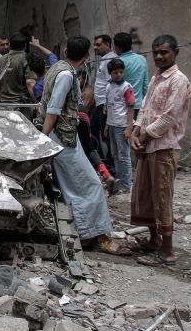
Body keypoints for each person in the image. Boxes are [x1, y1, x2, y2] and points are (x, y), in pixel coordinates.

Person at [41, 35, 131, 256]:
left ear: (64, 51)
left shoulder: (56, 68)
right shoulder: (66, 75)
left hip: (59, 138)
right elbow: (53, 109)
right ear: (86, 56)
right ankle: (101, 236)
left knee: (72, 188)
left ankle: (85, 233)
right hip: (62, 138)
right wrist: (43, 140)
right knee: (91, 186)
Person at [130, 35, 191, 263]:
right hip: (148, 146)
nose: (158, 56)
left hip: (164, 147)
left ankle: (167, 251)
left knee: (162, 198)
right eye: (155, 52)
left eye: (164, 52)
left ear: (175, 52)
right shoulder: (156, 78)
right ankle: (154, 240)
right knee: (145, 194)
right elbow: (145, 108)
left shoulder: (178, 80)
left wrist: (144, 136)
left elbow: (169, 117)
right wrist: (136, 130)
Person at [103, 58, 137, 192]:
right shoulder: (109, 86)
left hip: (122, 125)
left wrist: (129, 127)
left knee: (124, 156)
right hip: (112, 124)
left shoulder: (127, 87)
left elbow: (130, 108)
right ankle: (119, 180)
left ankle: (126, 185)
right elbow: (109, 107)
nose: (118, 75)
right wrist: (107, 125)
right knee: (115, 154)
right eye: (115, 72)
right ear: (110, 73)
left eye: (120, 72)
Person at [91, 34, 117, 164]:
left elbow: (111, 84)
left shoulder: (110, 60)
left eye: (98, 45)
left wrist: (107, 106)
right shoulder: (103, 60)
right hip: (100, 103)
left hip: (105, 105)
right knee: (93, 129)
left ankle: (110, 165)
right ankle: (101, 160)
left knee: (106, 135)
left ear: (107, 44)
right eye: (94, 45)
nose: (95, 47)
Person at [0, 33, 35, 109]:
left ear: (10, 45)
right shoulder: (26, 59)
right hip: (21, 105)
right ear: (25, 45)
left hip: (4, 104)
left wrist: (1, 99)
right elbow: (30, 82)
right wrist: (36, 102)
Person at [114, 32, 149, 111]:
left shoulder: (117, 63)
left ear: (117, 47)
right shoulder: (142, 59)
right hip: (139, 106)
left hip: (123, 108)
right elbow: (145, 85)